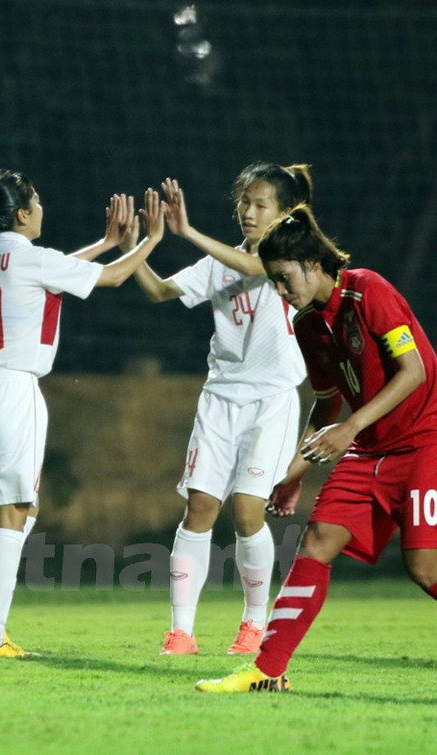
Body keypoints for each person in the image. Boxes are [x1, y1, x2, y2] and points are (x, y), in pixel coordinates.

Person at [196, 204, 437, 692]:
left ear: (312, 263)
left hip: (428, 440)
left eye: (284, 279)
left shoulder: (369, 289)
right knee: (316, 543)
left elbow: (413, 373)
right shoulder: (307, 324)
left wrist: (351, 429)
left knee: (423, 566)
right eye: (274, 283)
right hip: (370, 447)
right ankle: (267, 670)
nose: (281, 293)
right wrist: (298, 471)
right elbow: (327, 403)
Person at [0, 169, 165, 658]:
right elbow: (110, 277)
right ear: (23, 214)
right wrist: (149, 240)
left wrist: (107, 241)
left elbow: (52, 273)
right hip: (12, 388)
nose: (44, 209)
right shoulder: (34, 260)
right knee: (11, 514)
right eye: (38, 201)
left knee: (23, 509)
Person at [127, 163, 311, 655]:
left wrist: (187, 232)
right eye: (245, 202)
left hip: (270, 401)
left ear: (286, 212)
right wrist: (135, 247)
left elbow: (258, 266)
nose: (248, 212)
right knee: (200, 508)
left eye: (260, 204)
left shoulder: (295, 252)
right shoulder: (221, 261)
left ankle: (255, 625)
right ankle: (181, 631)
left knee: (248, 511)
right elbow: (159, 291)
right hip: (220, 398)